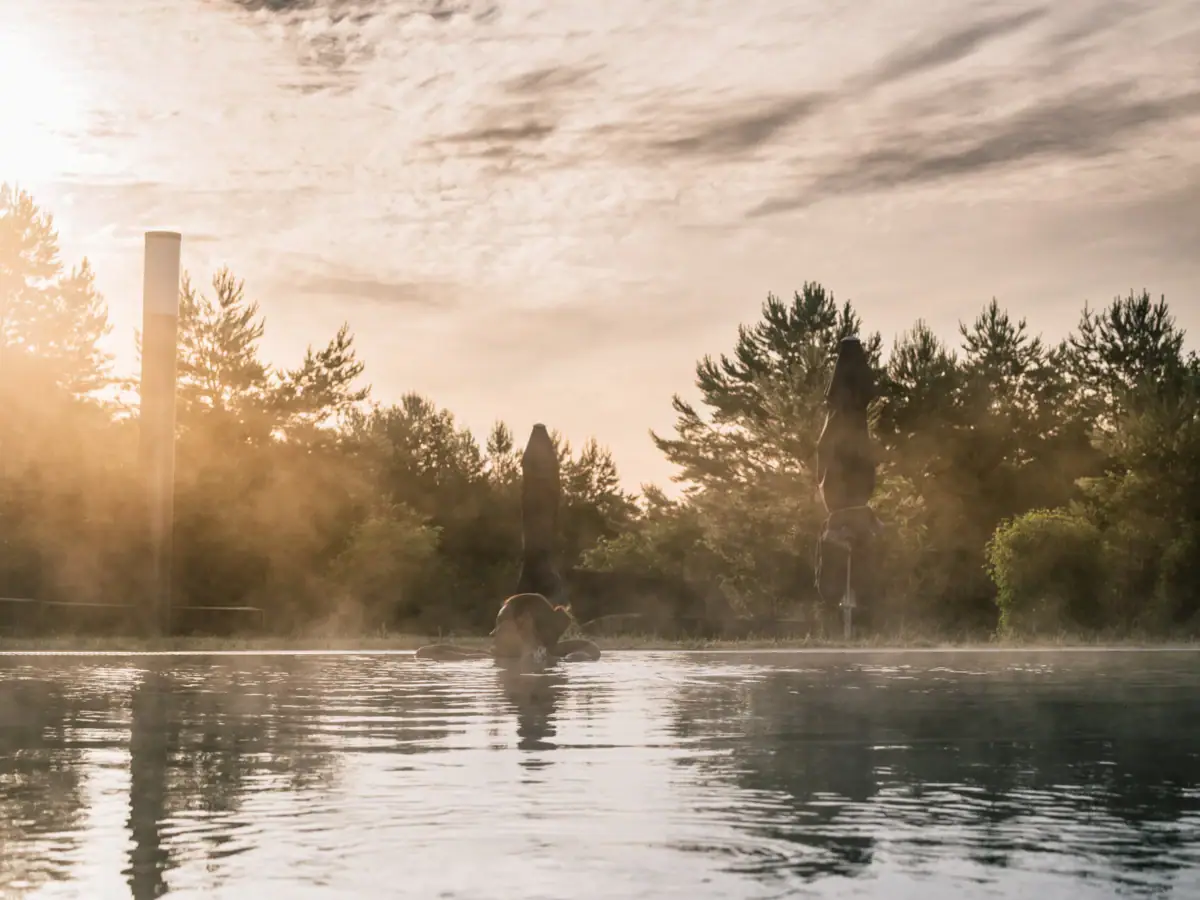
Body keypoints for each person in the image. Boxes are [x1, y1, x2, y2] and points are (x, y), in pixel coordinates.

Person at [414, 593, 601, 663]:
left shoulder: (553, 654)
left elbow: (591, 651)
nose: (493, 633)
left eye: (500, 624)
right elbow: (424, 652)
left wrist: (549, 659)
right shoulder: (491, 656)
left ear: (525, 623)